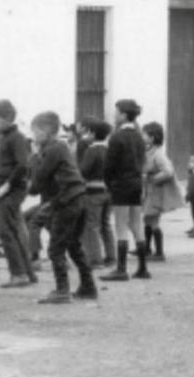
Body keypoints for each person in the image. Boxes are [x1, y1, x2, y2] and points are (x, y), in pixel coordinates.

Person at [28, 111, 96, 304]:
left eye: (35, 132)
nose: (33, 136)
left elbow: (38, 182)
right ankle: (88, 286)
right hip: (79, 198)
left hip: (67, 201)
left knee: (56, 248)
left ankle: (62, 290)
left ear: (46, 131)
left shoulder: (53, 149)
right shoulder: (62, 146)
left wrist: (33, 158)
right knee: (74, 245)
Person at [0, 99, 37, 289]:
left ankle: (18, 274)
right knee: (14, 230)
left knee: (6, 232)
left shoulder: (16, 138)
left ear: (8, 118)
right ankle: (27, 273)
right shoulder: (5, 136)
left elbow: (22, 164)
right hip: (5, 188)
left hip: (12, 190)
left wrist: (7, 185)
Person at [101, 99, 150, 282]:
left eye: (116, 112)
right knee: (137, 225)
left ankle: (121, 269)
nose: (114, 116)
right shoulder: (138, 136)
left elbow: (109, 165)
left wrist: (108, 183)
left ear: (123, 114)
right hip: (137, 183)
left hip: (121, 184)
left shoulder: (116, 137)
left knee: (121, 226)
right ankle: (142, 267)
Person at [76, 118, 115, 267]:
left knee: (91, 226)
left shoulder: (91, 150)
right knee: (106, 224)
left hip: (93, 191)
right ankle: (111, 257)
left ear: (92, 133)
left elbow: (84, 171)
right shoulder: (110, 150)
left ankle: (95, 259)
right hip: (109, 191)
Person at [141, 121, 182, 262]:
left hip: (155, 193)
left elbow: (168, 171)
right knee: (147, 219)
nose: (142, 136)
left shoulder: (158, 154)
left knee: (153, 221)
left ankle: (158, 252)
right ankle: (147, 249)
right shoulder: (150, 152)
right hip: (151, 192)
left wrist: (152, 179)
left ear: (152, 138)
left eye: (144, 134)